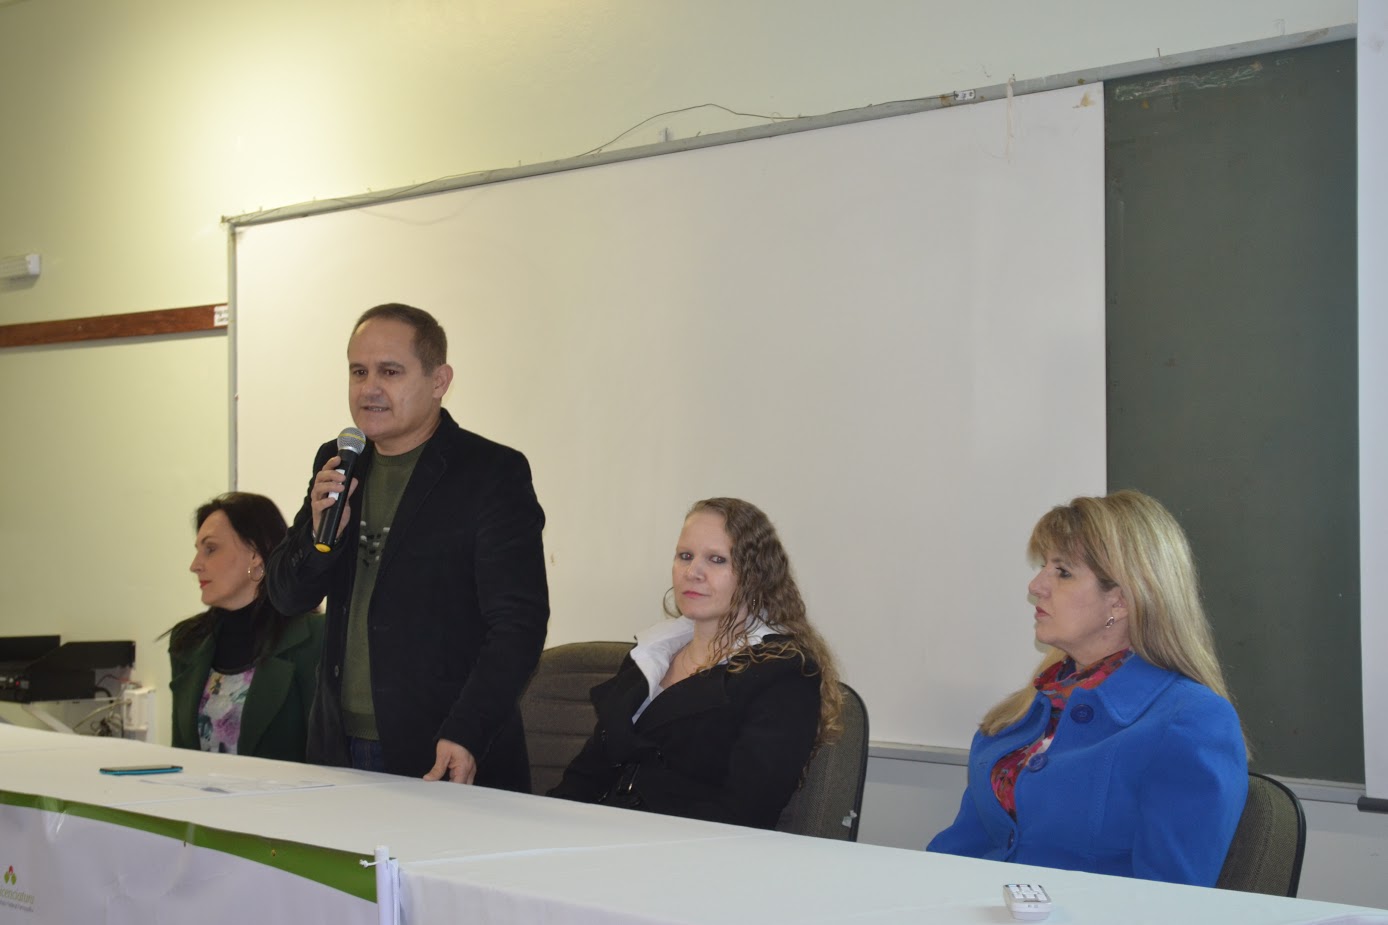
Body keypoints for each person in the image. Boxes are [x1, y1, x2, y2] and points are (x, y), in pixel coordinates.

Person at [267, 303, 549, 791]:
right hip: (337, 747)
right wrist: (318, 539)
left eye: (390, 372)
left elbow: (518, 624)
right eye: (358, 371)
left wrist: (467, 731)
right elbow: (288, 597)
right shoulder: (338, 461)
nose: (369, 388)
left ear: (439, 381)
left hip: (442, 747)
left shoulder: (489, 473)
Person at [927, 489, 1248, 886]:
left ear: (1121, 601)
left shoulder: (1193, 721)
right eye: (1043, 567)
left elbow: (1170, 899)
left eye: (1062, 572)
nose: (1036, 585)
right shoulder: (1024, 712)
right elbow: (957, 855)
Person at [548, 497, 842, 829]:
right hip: (596, 832)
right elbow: (585, 775)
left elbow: (747, 811)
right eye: (685, 556)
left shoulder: (783, 673)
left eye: (717, 559)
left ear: (756, 574)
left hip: (686, 846)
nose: (692, 572)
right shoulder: (650, 655)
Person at [168, 492, 324, 760]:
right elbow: (182, 755)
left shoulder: (314, 638)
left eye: (210, 549)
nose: (195, 566)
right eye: (198, 551)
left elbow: (324, 754)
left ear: (255, 555)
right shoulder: (187, 641)